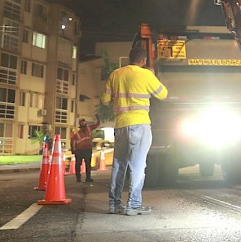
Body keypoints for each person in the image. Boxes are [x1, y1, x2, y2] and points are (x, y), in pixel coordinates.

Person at [101, 45, 168, 216]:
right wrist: (152, 75)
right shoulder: (145, 74)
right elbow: (163, 94)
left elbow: (105, 100)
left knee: (118, 165)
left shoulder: (115, 74)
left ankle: (114, 204)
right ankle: (133, 205)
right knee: (138, 165)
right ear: (144, 60)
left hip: (121, 125)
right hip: (140, 124)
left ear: (129, 58)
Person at [70, 117, 99, 183]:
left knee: (88, 165)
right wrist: (73, 149)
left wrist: (98, 118)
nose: (83, 123)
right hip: (79, 150)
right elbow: (72, 140)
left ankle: (88, 178)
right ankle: (78, 178)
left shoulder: (89, 128)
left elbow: (97, 124)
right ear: (79, 123)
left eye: (84, 121)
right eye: (81, 122)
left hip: (88, 149)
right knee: (78, 165)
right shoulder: (75, 131)